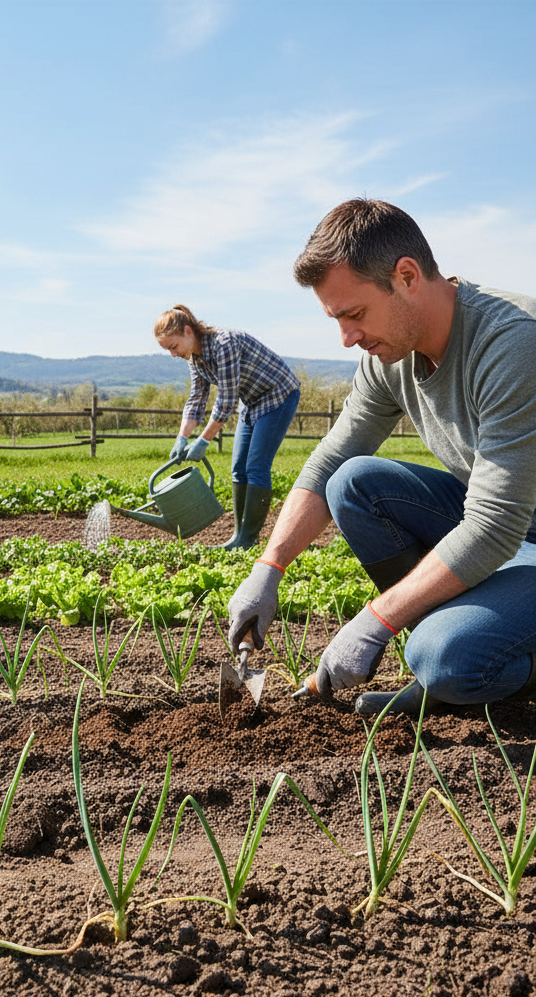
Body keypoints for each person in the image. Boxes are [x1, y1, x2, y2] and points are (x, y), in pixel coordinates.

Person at [227, 198, 536, 717]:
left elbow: (495, 527)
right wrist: (269, 567)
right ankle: (460, 647)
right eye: (337, 319)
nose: (348, 338)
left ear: (408, 276)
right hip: (518, 530)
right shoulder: (390, 356)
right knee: (354, 482)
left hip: (512, 527)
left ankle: (459, 668)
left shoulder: (512, 344)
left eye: (355, 314)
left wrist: (377, 620)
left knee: (444, 656)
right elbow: (331, 461)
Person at [154, 305, 301, 549]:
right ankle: (238, 536)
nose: (173, 354)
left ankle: (248, 539)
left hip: (278, 395)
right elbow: (197, 399)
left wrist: (203, 440)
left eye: (173, 347)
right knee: (237, 468)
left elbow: (227, 400)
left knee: (255, 466)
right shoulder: (196, 359)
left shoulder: (225, 344)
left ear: (188, 332)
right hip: (252, 401)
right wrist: (182, 437)